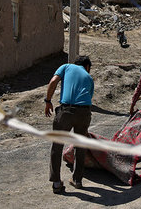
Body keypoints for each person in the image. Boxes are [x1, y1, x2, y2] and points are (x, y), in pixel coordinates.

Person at [44, 55, 94, 193]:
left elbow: (53, 81)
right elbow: (89, 98)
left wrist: (47, 101)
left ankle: (56, 183)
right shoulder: (89, 78)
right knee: (80, 145)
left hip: (66, 111)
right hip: (84, 113)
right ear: (87, 66)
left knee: (57, 146)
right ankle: (77, 180)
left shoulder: (66, 67)